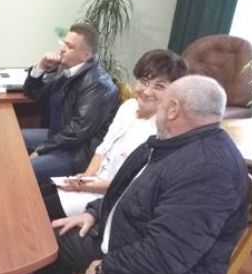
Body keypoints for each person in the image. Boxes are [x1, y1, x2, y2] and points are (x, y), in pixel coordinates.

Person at [21, 75, 250, 274]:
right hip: (130, 246)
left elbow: (166, 257)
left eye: (162, 101)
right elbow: (128, 190)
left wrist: (105, 268)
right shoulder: (173, 144)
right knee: (52, 242)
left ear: (173, 109)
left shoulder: (207, 170)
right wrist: (93, 212)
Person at [41, 49, 188, 219]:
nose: (147, 92)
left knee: (38, 209)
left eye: (159, 86)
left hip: (111, 199)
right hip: (91, 183)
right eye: (144, 82)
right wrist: (86, 177)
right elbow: (103, 148)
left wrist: (83, 186)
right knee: (37, 192)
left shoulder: (162, 132)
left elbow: (130, 184)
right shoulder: (128, 107)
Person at [22, 23, 119, 183]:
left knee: (23, 169)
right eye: (64, 43)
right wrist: (41, 67)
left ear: (86, 55)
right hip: (58, 138)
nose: (62, 49)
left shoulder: (98, 84)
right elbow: (33, 93)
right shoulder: (69, 71)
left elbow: (77, 131)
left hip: (77, 152)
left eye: (70, 46)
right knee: (13, 139)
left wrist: (42, 150)